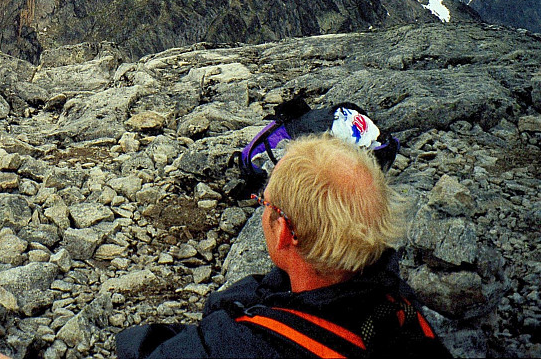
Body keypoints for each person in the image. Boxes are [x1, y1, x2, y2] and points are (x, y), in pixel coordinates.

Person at [115, 133, 451, 358]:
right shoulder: (399, 309)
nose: (262, 208)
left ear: (284, 230)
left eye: (265, 202)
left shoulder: (243, 344)